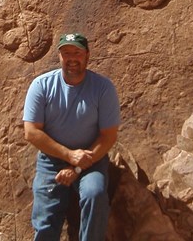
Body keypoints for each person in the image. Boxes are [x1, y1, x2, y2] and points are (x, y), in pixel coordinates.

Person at [23, 32, 121, 241]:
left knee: (94, 194)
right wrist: (69, 156)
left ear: (87, 55)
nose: (71, 58)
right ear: (59, 57)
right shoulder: (41, 86)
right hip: (51, 160)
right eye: (66, 53)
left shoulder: (103, 88)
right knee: (45, 217)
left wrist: (77, 166)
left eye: (77, 52)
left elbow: (108, 136)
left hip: (90, 159)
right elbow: (31, 132)